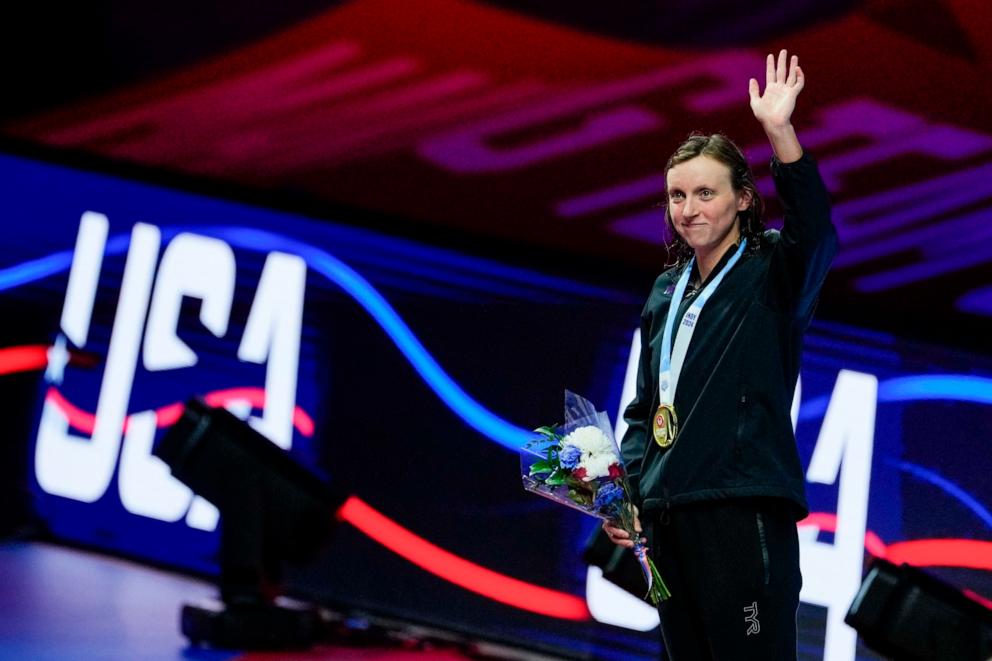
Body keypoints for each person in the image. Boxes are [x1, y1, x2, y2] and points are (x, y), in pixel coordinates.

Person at [602, 50, 837, 660]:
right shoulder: (665, 290)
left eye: (705, 193)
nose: (688, 210)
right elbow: (649, 405)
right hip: (668, 516)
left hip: (740, 512)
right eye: (677, 196)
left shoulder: (772, 272)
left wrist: (780, 133)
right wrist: (622, 492)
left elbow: (817, 233)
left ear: (742, 200)